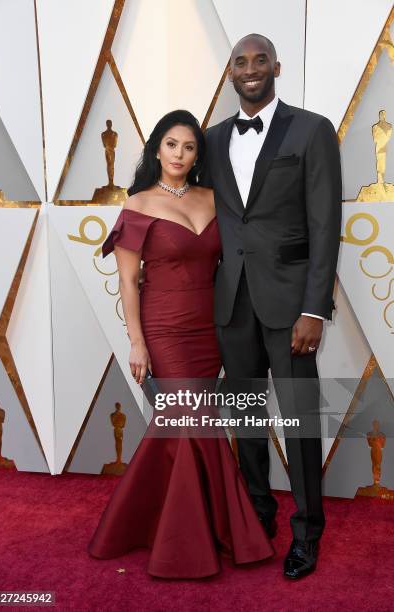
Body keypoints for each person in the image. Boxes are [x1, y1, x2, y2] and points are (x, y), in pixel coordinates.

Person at [88, 110, 273, 579]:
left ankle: (166, 522)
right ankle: (196, 539)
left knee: (195, 424)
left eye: (189, 148)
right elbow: (129, 281)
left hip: (211, 328)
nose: (179, 154)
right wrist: (137, 342)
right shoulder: (138, 204)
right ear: (156, 149)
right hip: (164, 328)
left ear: (197, 156)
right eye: (171, 145)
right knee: (189, 420)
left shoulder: (214, 198)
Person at [202, 34, 342, 580]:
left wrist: (315, 309)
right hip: (231, 303)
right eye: (242, 62)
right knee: (246, 420)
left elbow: (325, 226)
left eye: (261, 60)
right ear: (230, 72)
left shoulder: (311, 130)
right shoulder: (211, 140)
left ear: (277, 67)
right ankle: (257, 516)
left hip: (291, 308)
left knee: (301, 422)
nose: (252, 69)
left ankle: (307, 533)